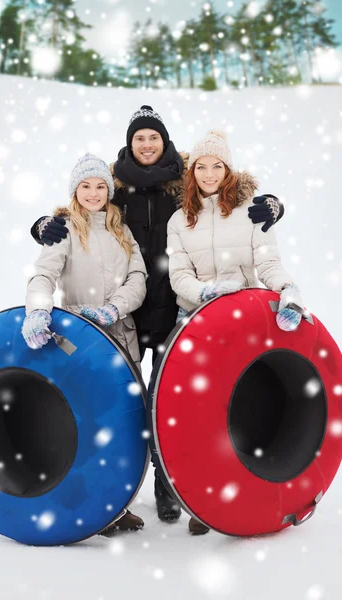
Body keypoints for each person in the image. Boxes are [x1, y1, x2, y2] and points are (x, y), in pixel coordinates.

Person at [29, 106, 285, 524]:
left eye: (153, 137)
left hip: (177, 306)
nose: (146, 144)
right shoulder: (114, 186)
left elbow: (227, 198)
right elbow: (81, 214)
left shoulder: (182, 180)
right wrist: (44, 225)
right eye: (138, 138)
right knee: (119, 408)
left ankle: (171, 490)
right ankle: (113, 498)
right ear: (128, 144)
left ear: (165, 142)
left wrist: (272, 205)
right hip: (122, 315)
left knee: (176, 407)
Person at [167, 130, 304, 534]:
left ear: (228, 169)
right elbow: (178, 275)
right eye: (202, 166)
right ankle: (198, 499)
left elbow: (268, 261)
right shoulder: (180, 220)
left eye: (217, 165)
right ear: (192, 172)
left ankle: (237, 491)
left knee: (239, 406)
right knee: (195, 415)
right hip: (194, 322)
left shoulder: (252, 212)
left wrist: (285, 288)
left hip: (242, 323)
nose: (209, 173)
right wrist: (204, 293)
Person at [22, 153, 147, 534]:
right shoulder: (63, 230)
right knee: (86, 425)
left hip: (120, 338)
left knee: (125, 425)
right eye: (85, 186)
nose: (93, 193)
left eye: (99, 186)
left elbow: (138, 278)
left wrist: (114, 309)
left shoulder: (122, 231)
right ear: (75, 190)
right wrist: (38, 311)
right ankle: (90, 507)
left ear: (108, 191)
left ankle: (119, 504)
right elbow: (44, 275)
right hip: (79, 342)